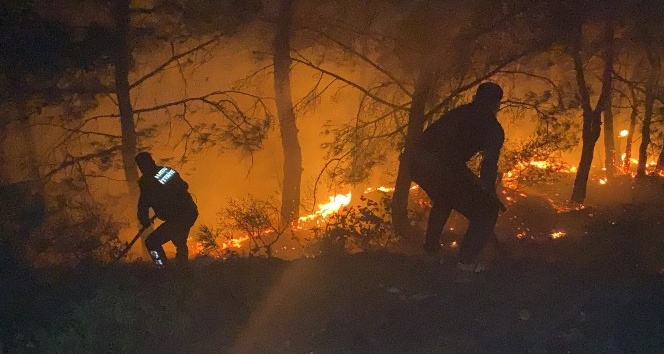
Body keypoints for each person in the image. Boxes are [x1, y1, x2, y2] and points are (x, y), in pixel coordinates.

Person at [409, 82, 506, 275]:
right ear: (497, 104)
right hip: (438, 166)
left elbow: (443, 151)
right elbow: (488, 167)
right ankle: (466, 265)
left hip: (415, 163)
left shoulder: (459, 113)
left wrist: (469, 179)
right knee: (486, 211)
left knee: (444, 198)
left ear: (476, 98)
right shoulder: (492, 128)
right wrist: (491, 198)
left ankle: (430, 253)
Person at [135, 152, 198, 268]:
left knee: (153, 242)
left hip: (183, 215)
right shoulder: (157, 176)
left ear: (150, 162)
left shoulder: (148, 181)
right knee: (179, 241)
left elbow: (183, 187)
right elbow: (143, 204)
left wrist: (145, 217)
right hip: (185, 214)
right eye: (139, 166)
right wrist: (144, 218)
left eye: (142, 165)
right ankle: (181, 270)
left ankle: (164, 269)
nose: (141, 168)